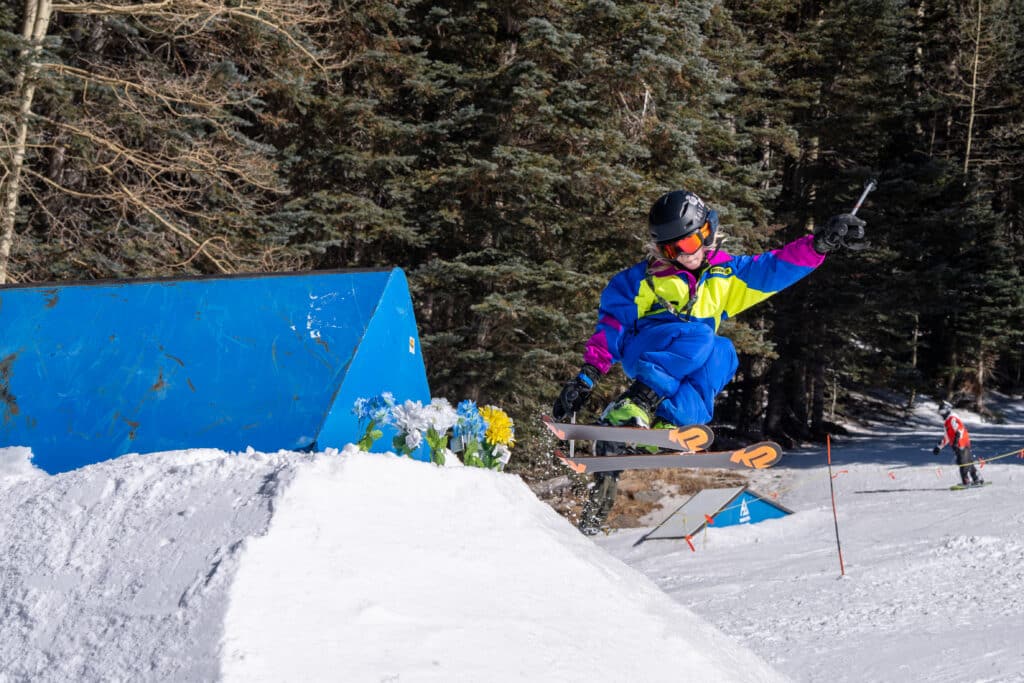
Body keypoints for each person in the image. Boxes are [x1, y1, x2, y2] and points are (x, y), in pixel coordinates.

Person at [552, 189, 867, 535]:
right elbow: (609, 330)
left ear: (706, 234)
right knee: (700, 335)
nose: (682, 256)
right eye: (671, 250)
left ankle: (660, 428)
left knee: (723, 352)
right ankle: (633, 404)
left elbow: (774, 268)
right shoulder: (638, 281)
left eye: (687, 245)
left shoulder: (727, 275)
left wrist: (819, 244)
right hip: (647, 351)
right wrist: (587, 376)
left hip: (688, 359)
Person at [933, 401, 982, 487]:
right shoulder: (947, 421)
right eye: (940, 412)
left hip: (961, 443)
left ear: (947, 410)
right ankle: (977, 478)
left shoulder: (952, 418)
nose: (941, 414)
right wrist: (939, 447)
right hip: (959, 444)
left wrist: (956, 440)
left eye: (942, 412)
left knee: (963, 462)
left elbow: (960, 429)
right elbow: (947, 437)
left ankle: (966, 481)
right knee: (968, 461)